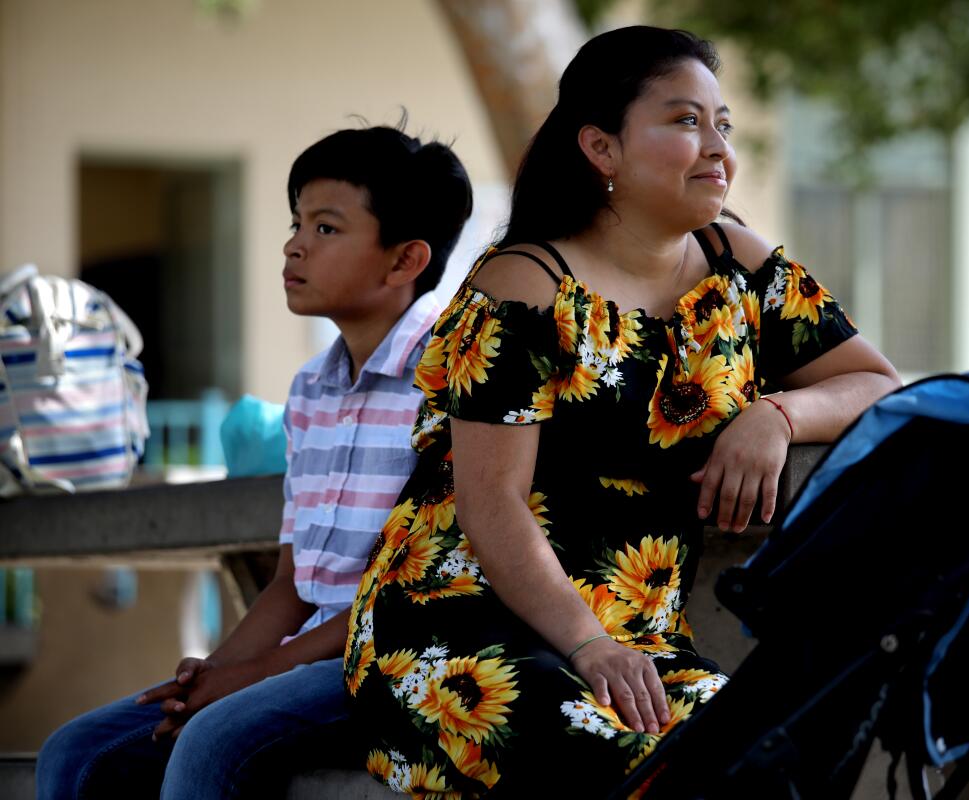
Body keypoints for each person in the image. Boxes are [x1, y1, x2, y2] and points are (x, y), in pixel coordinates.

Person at [345, 26, 902, 800]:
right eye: (683, 121)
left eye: (722, 125)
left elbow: (876, 383)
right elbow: (489, 502)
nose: (716, 147)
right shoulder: (524, 286)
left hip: (642, 640)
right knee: (614, 766)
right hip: (463, 621)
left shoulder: (741, 265)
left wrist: (772, 416)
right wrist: (589, 645)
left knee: (773, 761)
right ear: (601, 149)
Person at [36, 122, 474, 799]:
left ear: (404, 260)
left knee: (209, 749)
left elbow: (410, 595)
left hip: (401, 659)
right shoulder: (311, 390)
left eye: (326, 228)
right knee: (78, 753)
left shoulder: (452, 380)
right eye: (297, 222)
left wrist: (258, 674)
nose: (293, 245)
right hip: (307, 660)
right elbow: (293, 584)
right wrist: (209, 675)